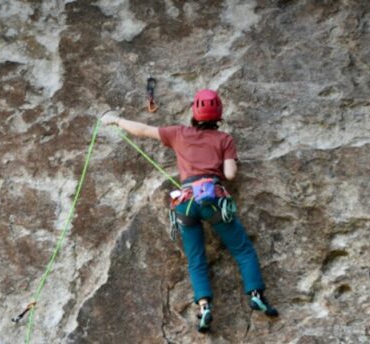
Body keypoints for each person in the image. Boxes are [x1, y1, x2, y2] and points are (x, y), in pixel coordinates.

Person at [101, 89, 278, 333]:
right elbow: (230, 175)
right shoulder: (224, 139)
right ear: (219, 115)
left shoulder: (178, 133)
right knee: (243, 250)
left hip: (185, 202)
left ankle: (204, 307)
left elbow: (142, 130)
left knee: (196, 259)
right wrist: (232, 161)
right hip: (212, 200)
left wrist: (115, 120)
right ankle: (256, 294)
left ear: (194, 112)